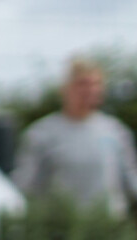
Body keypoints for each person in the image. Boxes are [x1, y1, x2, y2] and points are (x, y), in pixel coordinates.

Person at [12, 59, 137, 214]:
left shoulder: (116, 131)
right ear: (65, 89)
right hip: (62, 228)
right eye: (83, 84)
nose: (90, 90)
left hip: (107, 227)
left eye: (96, 84)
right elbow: (25, 186)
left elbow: (131, 179)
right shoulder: (41, 133)